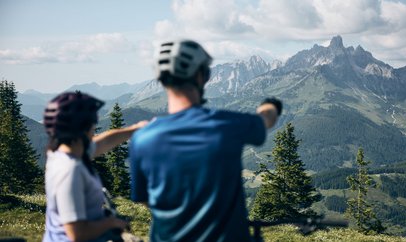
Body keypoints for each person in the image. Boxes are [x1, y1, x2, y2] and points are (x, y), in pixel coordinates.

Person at [130, 40, 282, 241]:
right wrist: (271, 105)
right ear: (201, 76)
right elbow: (266, 120)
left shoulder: (142, 139)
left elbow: (143, 197)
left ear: (162, 80)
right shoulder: (226, 125)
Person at [42, 91, 147, 242]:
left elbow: (103, 142)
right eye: (93, 123)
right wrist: (112, 223)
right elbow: (77, 234)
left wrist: (135, 129)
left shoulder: (67, 153)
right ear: (82, 128)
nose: (94, 127)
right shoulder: (69, 170)